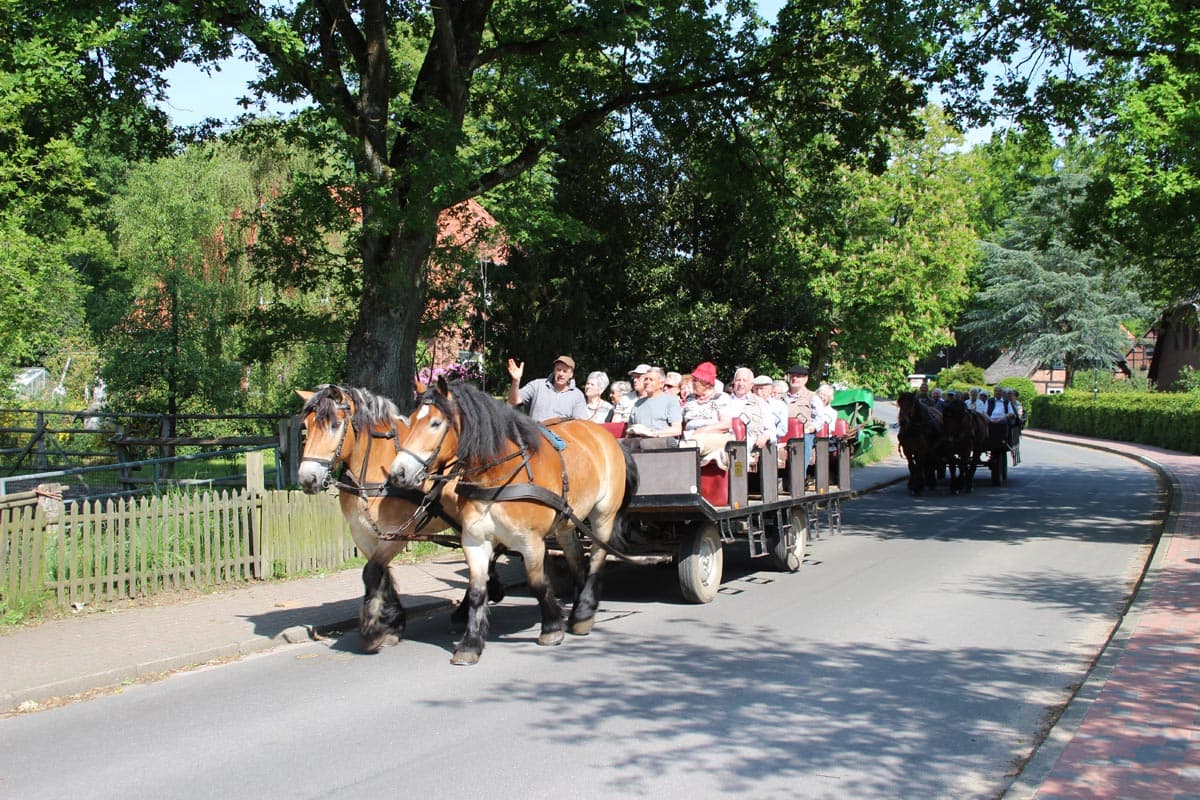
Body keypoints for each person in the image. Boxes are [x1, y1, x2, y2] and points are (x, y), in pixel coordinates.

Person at [682, 361, 734, 466]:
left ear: (706, 383)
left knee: (693, 443)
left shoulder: (721, 397)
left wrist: (702, 430)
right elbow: (682, 422)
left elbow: (726, 424)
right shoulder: (690, 398)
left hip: (714, 435)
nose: (693, 383)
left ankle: (690, 478)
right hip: (689, 437)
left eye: (696, 380)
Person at [506, 355, 588, 421]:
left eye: (565, 371)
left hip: (562, 439)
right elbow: (513, 401)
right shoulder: (537, 385)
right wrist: (516, 380)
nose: (561, 374)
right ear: (554, 370)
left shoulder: (577, 396)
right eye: (558, 370)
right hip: (536, 436)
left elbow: (580, 424)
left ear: (571, 374)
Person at [626, 367, 683, 438]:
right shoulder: (638, 404)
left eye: (651, 380)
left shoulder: (671, 400)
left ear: (661, 384)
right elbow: (629, 432)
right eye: (646, 379)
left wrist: (650, 433)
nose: (647, 382)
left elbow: (676, 430)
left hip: (661, 442)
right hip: (637, 442)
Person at [784, 364, 815, 473]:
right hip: (783, 432)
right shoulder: (781, 398)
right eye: (792, 376)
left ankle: (799, 477)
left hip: (804, 433)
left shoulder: (812, 397)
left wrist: (811, 428)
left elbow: (821, 418)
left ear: (805, 379)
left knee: (805, 440)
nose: (795, 378)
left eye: (798, 376)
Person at [755, 375, 789, 440]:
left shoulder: (779, 405)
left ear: (770, 389)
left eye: (762, 389)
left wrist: (768, 435)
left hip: (772, 442)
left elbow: (782, 430)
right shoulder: (748, 404)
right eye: (756, 389)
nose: (759, 392)